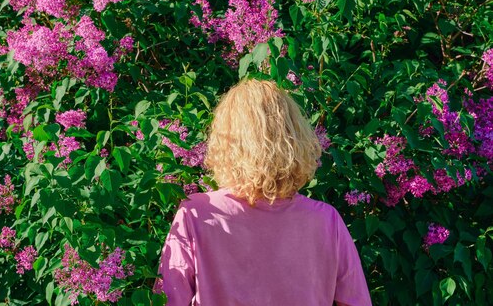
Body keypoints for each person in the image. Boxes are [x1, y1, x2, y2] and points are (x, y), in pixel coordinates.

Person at [158, 78, 372, 306]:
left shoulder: (197, 215)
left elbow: (168, 299)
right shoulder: (326, 221)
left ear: (226, 141)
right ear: (294, 136)